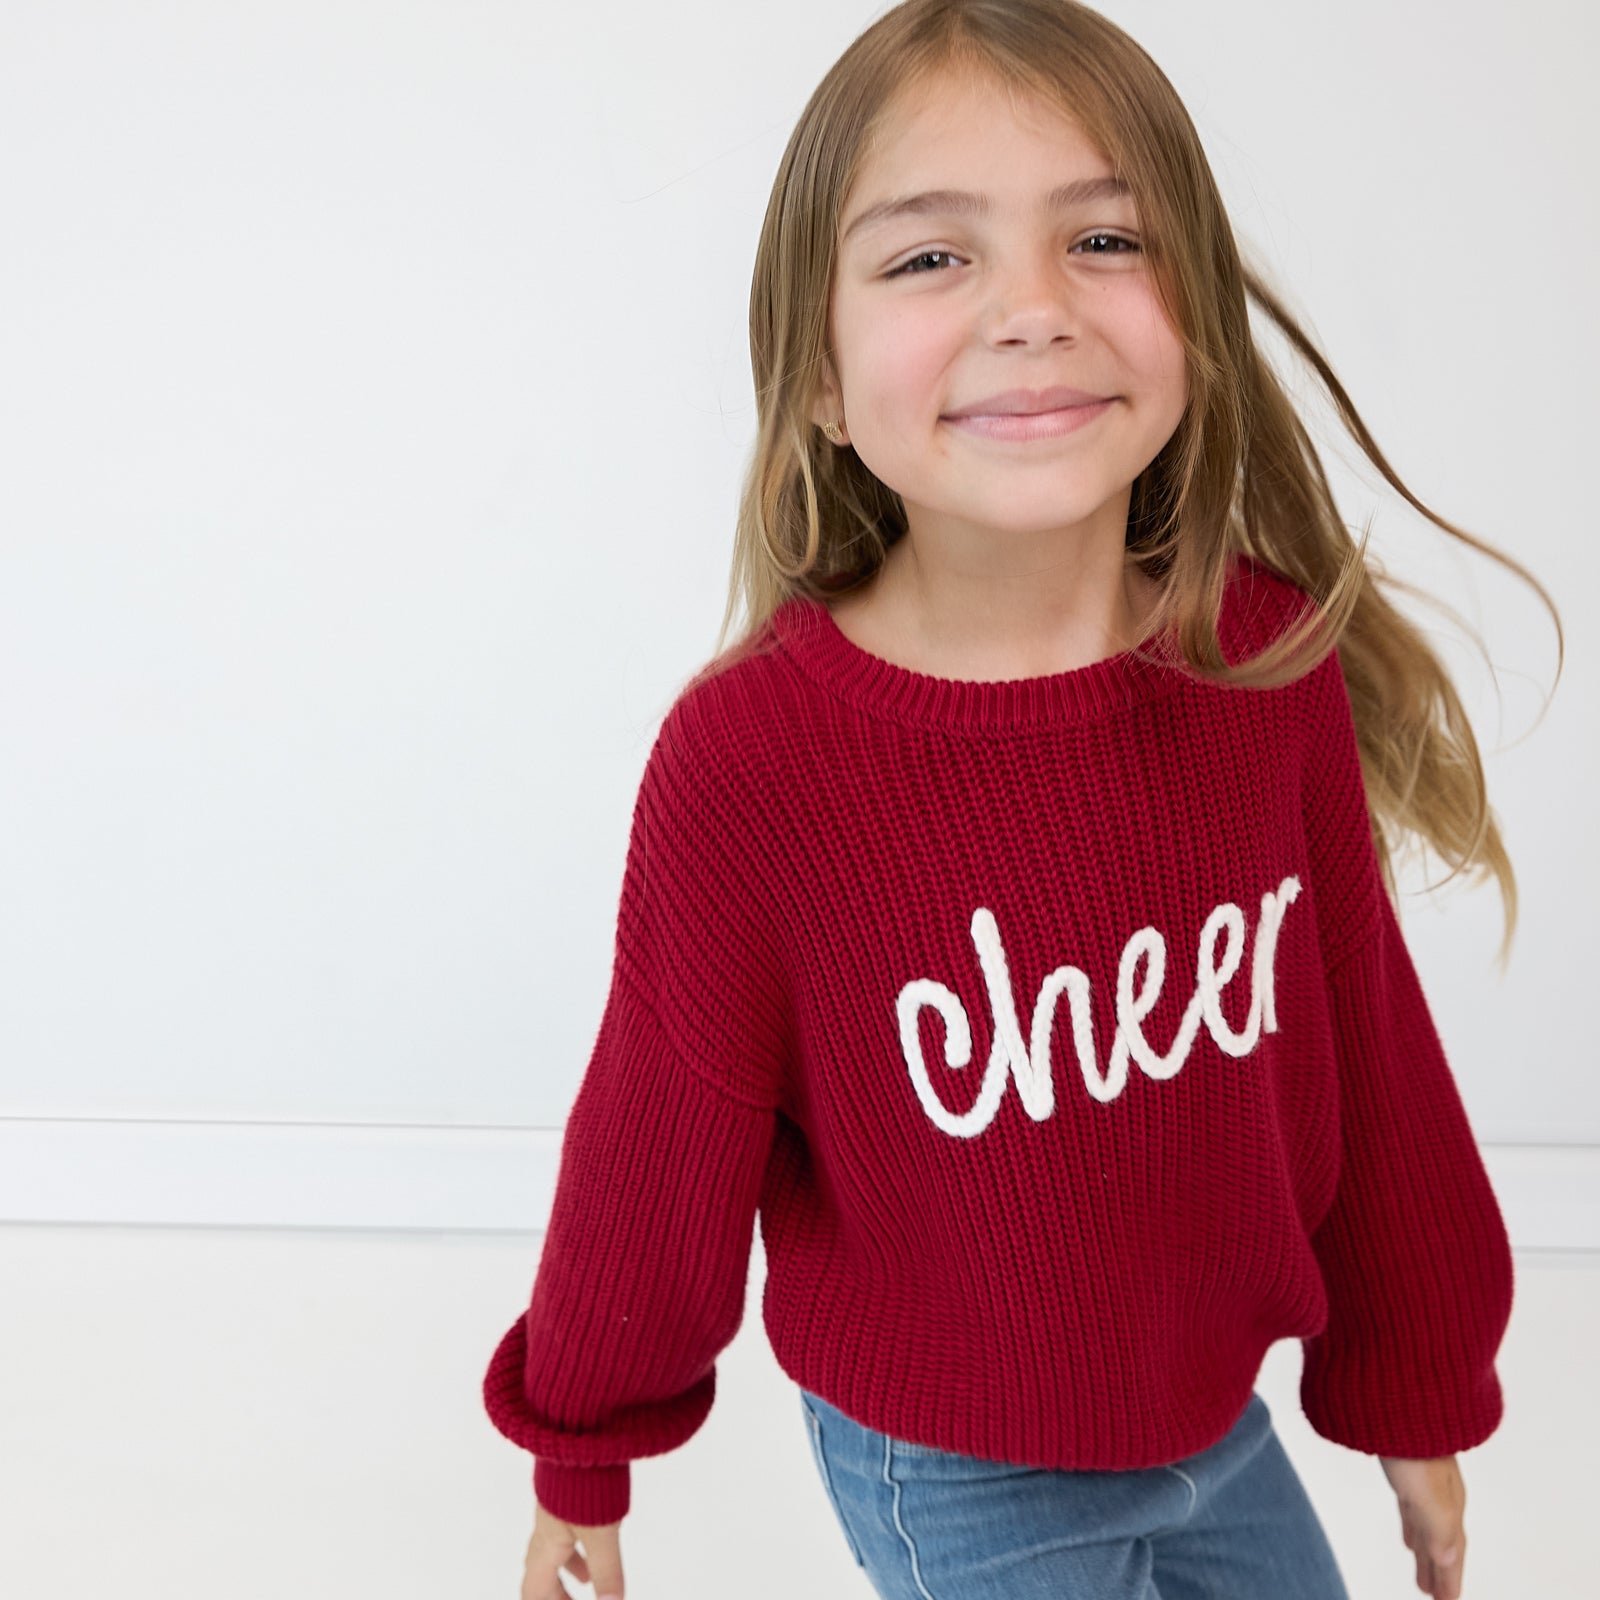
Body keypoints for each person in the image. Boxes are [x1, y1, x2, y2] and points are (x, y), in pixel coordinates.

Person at [482, 3, 1563, 1598]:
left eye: (1105, 236)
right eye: (932, 258)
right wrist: (587, 1438)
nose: (1035, 309)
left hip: (1214, 1427)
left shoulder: (1264, 665)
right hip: (956, 1468)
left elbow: (1369, 1045)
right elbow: (659, 1138)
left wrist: (1416, 1390)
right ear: (823, 386)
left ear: (1193, 311)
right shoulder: (753, 768)